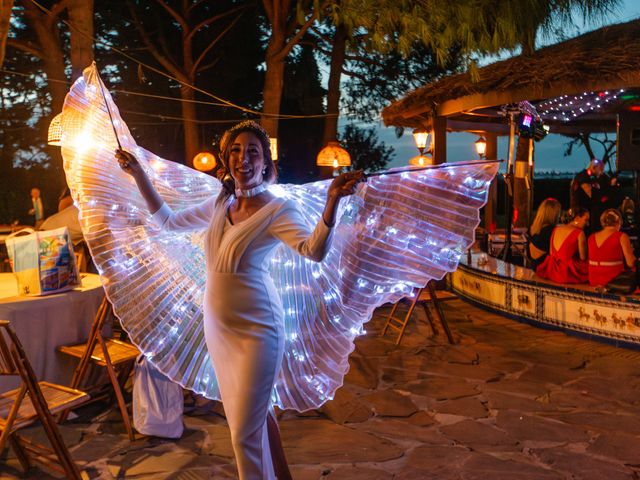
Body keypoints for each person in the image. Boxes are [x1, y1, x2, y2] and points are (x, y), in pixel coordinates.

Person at [115, 120, 365, 480]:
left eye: (253, 151)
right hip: (218, 329)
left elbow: (313, 251)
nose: (242, 158)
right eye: (235, 150)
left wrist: (332, 202)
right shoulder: (220, 203)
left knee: (243, 435)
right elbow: (168, 223)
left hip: (259, 330)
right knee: (248, 422)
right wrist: (139, 175)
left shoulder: (278, 210)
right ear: (225, 157)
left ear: (265, 163)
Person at [536, 207, 589, 283]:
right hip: (566, 272)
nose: (588, 224)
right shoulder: (579, 233)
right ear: (577, 218)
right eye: (586, 220)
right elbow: (583, 257)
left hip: (552, 270)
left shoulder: (556, 229)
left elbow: (551, 252)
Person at [588, 209, 636, 287]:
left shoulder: (591, 237)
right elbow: (630, 263)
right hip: (614, 281)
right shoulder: (621, 236)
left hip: (594, 280)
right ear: (619, 222)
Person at [570, 159, 615, 232]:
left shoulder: (588, 177)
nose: (602, 173)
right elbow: (593, 196)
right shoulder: (583, 178)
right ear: (594, 167)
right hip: (580, 216)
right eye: (601, 170)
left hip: (583, 214)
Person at [528, 198, 561, 270]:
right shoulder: (552, 231)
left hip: (533, 268)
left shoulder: (535, 229)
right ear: (554, 214)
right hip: (545, 270)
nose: (559, 216)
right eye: (558, 213)